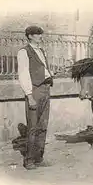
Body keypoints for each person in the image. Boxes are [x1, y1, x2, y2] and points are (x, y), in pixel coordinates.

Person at [17, 26, 54, 170]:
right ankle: (29, 160)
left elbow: (42, 70)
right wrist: (29, 95)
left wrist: (50, 75)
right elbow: (23, 74)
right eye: (37, 34)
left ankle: (39, 158)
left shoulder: (41, 51)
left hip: (45, 89)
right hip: (35, 91)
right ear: (30, 36)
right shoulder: (24, 52)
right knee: (33, 127)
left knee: (43, 126)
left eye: (40, 34)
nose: (40, 36)